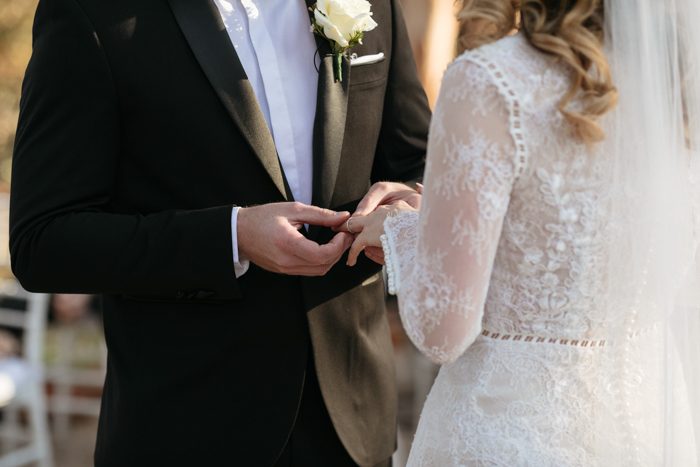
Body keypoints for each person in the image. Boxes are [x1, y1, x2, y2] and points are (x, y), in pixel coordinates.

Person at [9, 0, 430, 465]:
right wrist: (231, 237)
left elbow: (417, 161)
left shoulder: (373, 4)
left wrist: (415, 200)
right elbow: (43, 241)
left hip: (352, 424)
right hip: (188, 429)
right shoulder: (93, 13)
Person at [344, 0, 700, 464]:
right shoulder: (677, 80)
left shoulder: (491, 81)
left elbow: (442, 332)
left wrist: (404, 229)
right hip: (648, 431)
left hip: (508, 436)